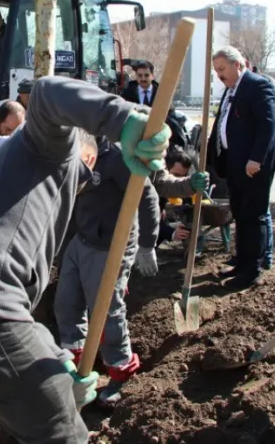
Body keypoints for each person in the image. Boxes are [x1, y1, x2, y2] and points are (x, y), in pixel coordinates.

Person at [0, 76, 170, 444]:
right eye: (86, 175)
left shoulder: (1, 183)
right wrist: (122, 121)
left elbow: (15, 302)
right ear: (84, 156)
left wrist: (55, 359)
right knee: (62, 434)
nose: (83, 185)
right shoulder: (52, 150)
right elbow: (46, 93)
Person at [54, 136, 201, 406]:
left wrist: (147, 245)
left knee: (107, 312)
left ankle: (121, 372)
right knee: (66, 303)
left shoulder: (120, 158)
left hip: (111, 245)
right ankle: (73, 363)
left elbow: (148, 194)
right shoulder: (73, 147)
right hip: (81, 238)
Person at [205, 46, 275, 289]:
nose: (218, 75)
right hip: (235, 164)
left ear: (237, 65)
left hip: (254, 165)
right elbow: (222, 123)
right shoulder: (230, 91)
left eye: (221, 69)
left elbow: (267, 126)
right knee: (240, 213)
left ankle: (252, 269)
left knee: (254, 215)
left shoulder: (258, 85)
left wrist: (256, 159)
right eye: (215, 70)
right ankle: (241, 262)